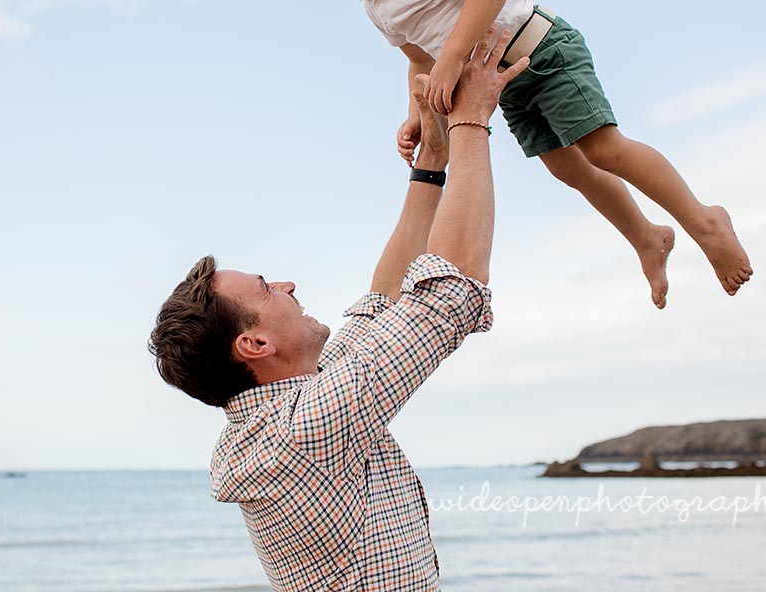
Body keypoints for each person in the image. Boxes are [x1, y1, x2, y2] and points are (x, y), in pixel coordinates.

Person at [277, 0, 753, 308]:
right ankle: (647, 238)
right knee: (567, 167)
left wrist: (453, 59)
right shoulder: (373, 0)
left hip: (541, 48)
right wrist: (416, 115)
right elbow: (420, 60)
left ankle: (704, 220)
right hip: (505, 81)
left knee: (603, 148)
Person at [149, 32, 529, 590]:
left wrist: (433, 159)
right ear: (254, 344)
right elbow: (452, 286)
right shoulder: (303, 431)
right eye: (265, 288)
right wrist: (473, 121)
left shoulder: (294, 405)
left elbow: (385, 301)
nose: (287, 283)